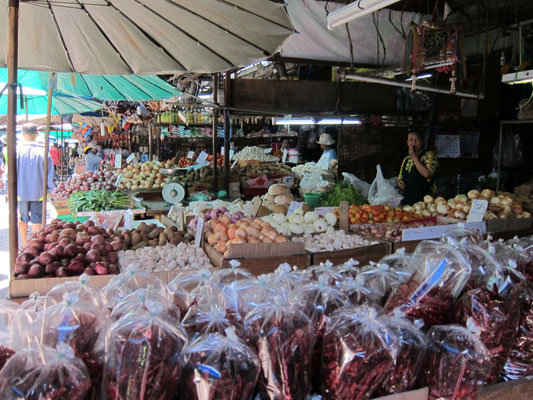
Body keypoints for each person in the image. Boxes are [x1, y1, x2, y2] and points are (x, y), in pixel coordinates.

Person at [17, 123, 56, 247]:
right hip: (38, 191)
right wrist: (51, 190)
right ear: (37, 133)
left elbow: (9, 173)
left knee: (22, 217)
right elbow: (50, 175)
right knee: (37, 218)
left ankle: (24, 243)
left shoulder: (16, 151)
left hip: (20, 192)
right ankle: (34, 245)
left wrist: (8, 190)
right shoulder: (44, 152)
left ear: (23, 134)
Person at [397, 130, 439, 205]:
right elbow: (400, 178)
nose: (414, 142)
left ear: (422, 141)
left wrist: (414, 156)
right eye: (411, 140)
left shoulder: (430, 155)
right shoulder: (406, 159)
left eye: (417, 139)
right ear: (407, 142)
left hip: (425, 202)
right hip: (408, 201)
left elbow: (427, 174)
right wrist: (400, 183)